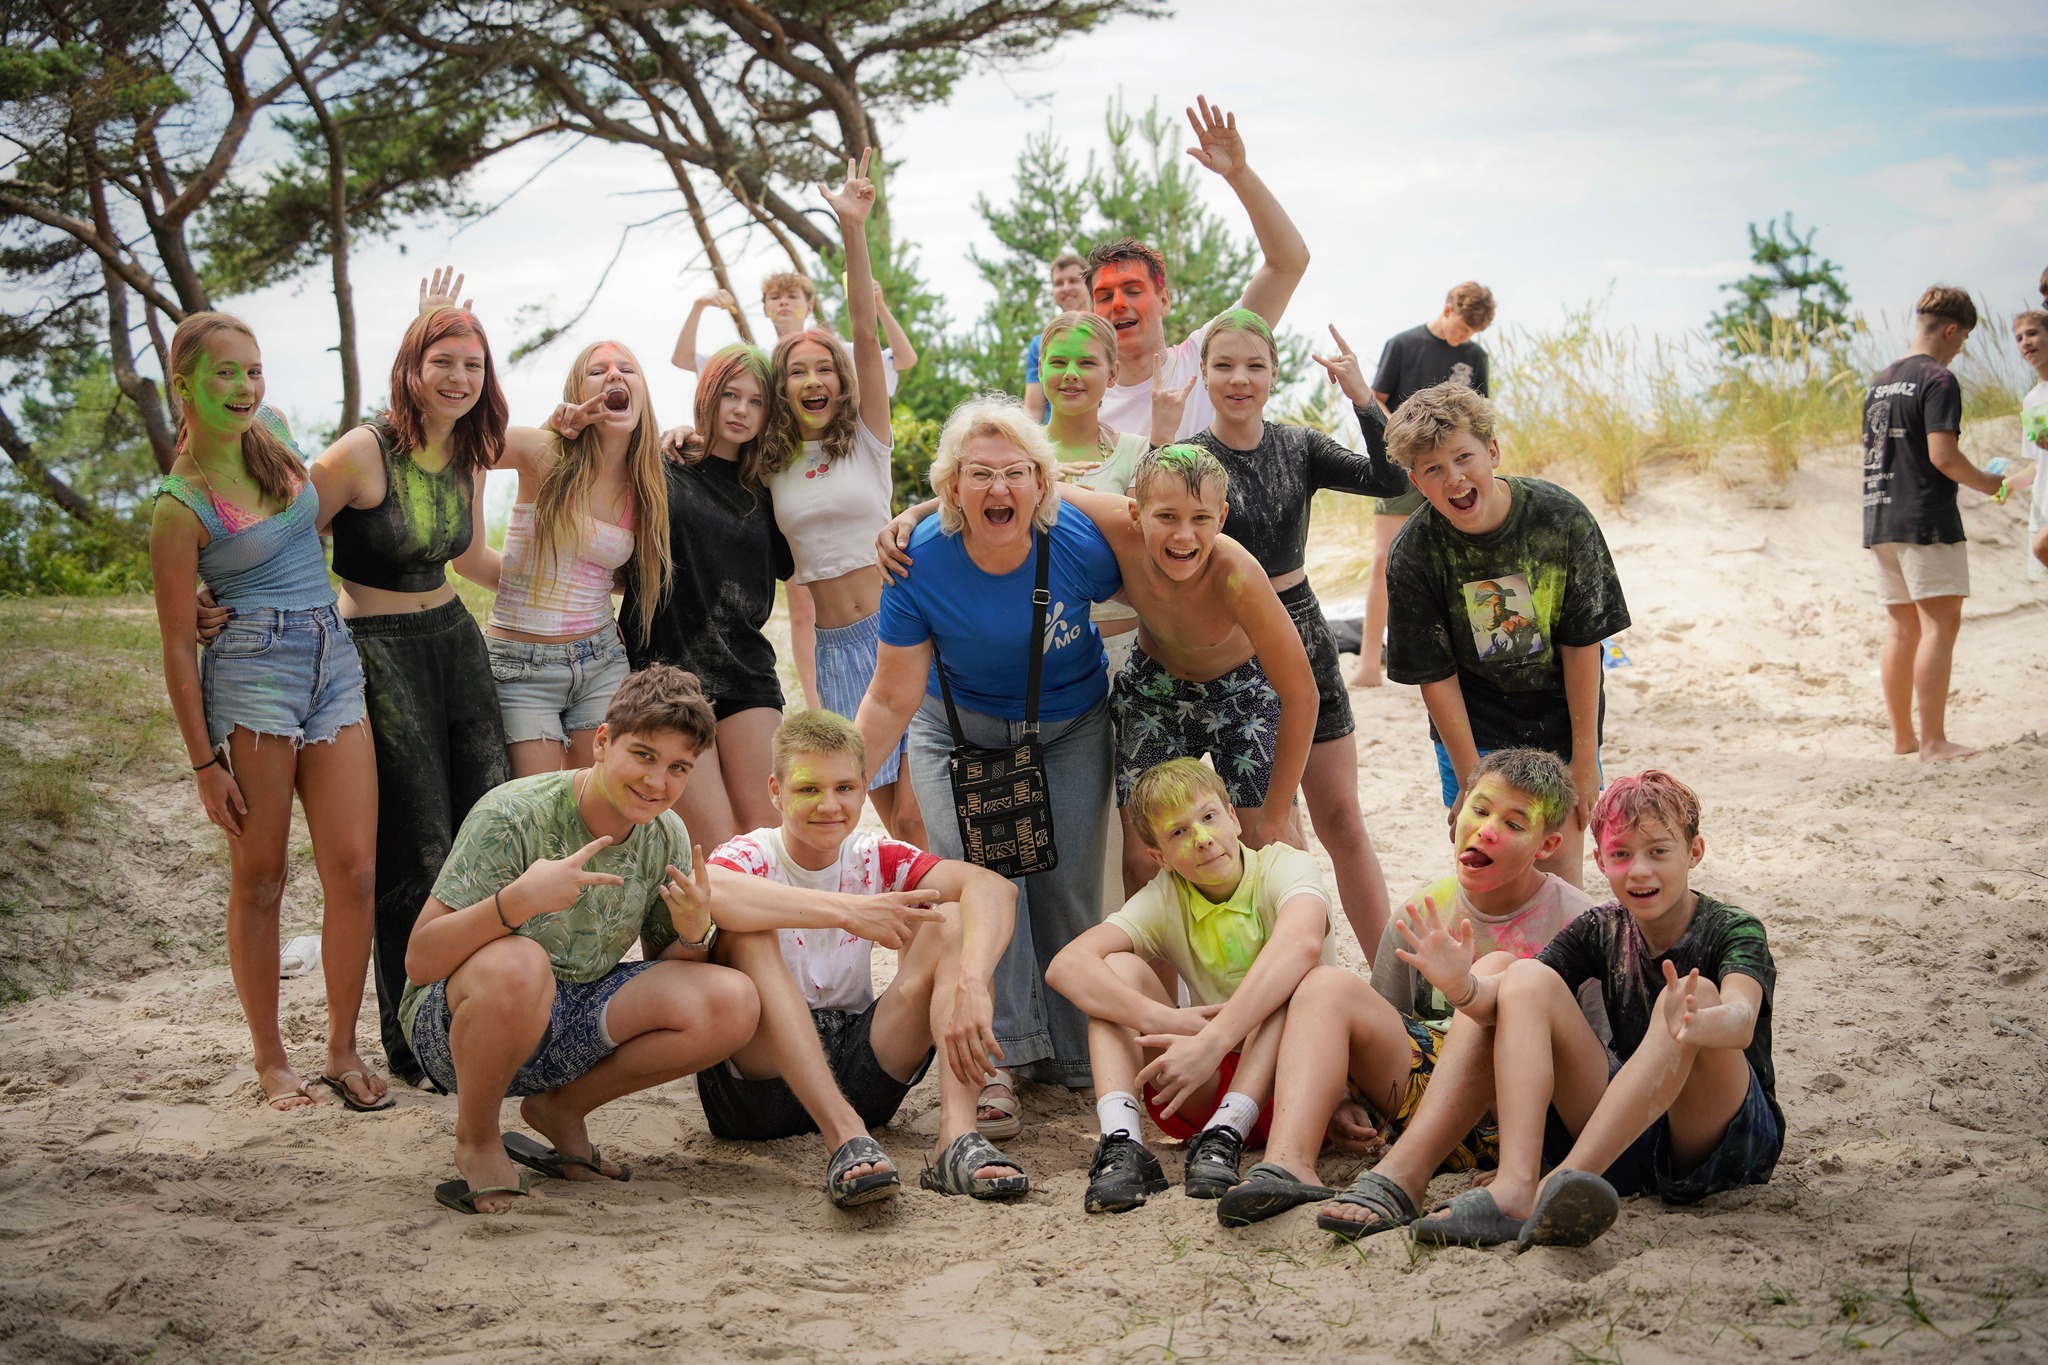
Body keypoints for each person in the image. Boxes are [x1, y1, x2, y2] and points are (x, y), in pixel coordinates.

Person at [855, 395, 1124, 1135]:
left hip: (1069, 724)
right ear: (952, 488)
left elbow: (1163, 571)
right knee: (985, 888)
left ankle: (1075, 1056)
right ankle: (998, 1060)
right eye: (979, 474)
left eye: (1015, 473)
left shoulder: (1077, 539)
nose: (998, 489)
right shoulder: (919, 558)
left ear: (1042, 482)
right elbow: (889, 696)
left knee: (1064, 886)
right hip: (958, 732)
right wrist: (843, 782)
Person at [400, 666, 759, 1214]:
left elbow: (669, 969)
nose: (657, 783)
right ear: (601, 742)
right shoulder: (512, 814)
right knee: (521, 963)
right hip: (459, 1029)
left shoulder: (668, 833)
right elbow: (421, 961)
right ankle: (476, 1136)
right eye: (643, 755)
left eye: (678, 767)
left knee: (733, 1000)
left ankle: (561, 1109)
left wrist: (691, 933)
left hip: (573, 1017)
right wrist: (515, 903)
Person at [148, 311, 385, 1112]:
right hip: (253, 671)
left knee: (353, 866)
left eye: (253, 370)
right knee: (261, 876)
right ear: (183, 384)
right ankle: (269, 1056)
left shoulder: (275, 433)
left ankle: (343, 1048)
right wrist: (204, 765)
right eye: (226, 373)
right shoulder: (180, 508)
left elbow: (310, 523)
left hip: (332, 653)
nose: (246, 387)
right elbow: (179, 646)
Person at [1398, 770, 1779, 1251]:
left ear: (1694, 852)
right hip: (1626, 1139)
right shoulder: (1601, 926)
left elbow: (1742, 1018)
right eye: (1621, 854)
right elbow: (1517, 996)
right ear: (1599, 860)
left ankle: (1558, 1182)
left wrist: (1702, 1022)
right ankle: (1518, 1184)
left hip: (1721, 1144)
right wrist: (1462, 987)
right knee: (1525, 975)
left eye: (1658, 852)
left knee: (1687, 994)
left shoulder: (1734, 928)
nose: (1639, 870)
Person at [1213, 748, 1593, 1229]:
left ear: (1547, 845)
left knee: (1500, 975)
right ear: (1456, 814)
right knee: (1324, 984)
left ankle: (1469, 1171)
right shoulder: (1419, 914)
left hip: (1521, 1119)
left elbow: (1592, 1058)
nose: (1487, 830)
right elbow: (1384, 1024)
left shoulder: (1577, 923)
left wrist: (1542, 1156)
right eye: (1479, 810)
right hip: (1424, 1106)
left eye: (1515, 825)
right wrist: (1346, 1103)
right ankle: (1291, 1161)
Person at [698, 710, 1031, 1204]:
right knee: (748, 933)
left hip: (861, 1069)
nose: (829, 805)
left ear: (862, 787)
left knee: (956, 919)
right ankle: (843, 1135)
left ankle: (955, 1139)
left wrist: (972, 982)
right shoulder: (751, 855)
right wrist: (850, 912)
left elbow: (992, 889)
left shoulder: (873, 854)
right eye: (808, 789)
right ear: (775, 790)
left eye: (845, 788)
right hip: (758, 1091)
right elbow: (711, 890)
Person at [311, 280, 512, 1091]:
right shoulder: (362, 450)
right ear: (412, 365)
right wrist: (209, 599)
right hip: (377, 652)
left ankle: (477, 1013)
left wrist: (584, 586)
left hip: (456, 644)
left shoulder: (468, 452)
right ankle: (410, 1040)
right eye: (443, 361)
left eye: (472, 364)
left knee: (482, 826)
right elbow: (285, 535)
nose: (459, 377)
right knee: (415, 844)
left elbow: (469, 562)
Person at [1185, 310, 1408, 957]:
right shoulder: (1192, 456)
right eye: (1223, 364)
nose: (1239, 378)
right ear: (1203, 374)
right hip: (1234, 651)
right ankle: (1319, 973)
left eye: (1254, 365)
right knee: (1274, 830)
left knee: (1341, 818)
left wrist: (1364, 399)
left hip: (1307, 634)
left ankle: (1393, 978)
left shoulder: (1299, 446)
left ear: (1275, 373)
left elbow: (1392, 478)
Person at [1045, 759, 1335, 1212]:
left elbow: (1301, 947)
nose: (1202, 839)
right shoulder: (1165, 894)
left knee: (1295, 978)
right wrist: (1164, 1019)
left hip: (1299, 1089)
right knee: (1114, 971)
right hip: (1199, 1082)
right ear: (1159, 858)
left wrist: (1215, 1040)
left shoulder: (1286, 865)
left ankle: (1227, 1134)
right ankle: (1121, 1142)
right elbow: (1066, 966)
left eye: (1208, 817)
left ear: (1234, 818)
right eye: (1178, 833)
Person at [1383, 382, 1630, 889]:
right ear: (1415, 481)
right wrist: (1475, 783)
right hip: (1474, 735)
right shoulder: (1414, 553)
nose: (1453, 478)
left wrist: (1586, 759)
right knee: (1490, 888)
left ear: (1491, 451)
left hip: (1559, 725)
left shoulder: (1561, 518)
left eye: (1463, 457)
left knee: (1558, 886)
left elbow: (1583, 646)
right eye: (1433, 469)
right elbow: (1436, 678)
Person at [759, 152, 923, 845]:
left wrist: (852, 229)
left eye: (824, 366)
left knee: (927, 812)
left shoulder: (868, 439)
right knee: (891, 820)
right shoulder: (769, 464)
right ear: (783, 387)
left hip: (901, 631)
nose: (815, 377)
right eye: (799, 371)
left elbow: (862, 327)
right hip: (835, 650)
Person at [479, 337, 673, 777]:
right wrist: (553, 428)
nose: (613, 374)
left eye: (628, 367)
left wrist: (685, 433)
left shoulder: (648, 483)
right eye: (597, 370)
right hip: (521, 664)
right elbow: (468, 445)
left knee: (600, 796)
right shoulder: (542, 452)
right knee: (538, 804)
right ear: (576, 394)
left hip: (601, 659)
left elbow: (618, 576)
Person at [627, 344, 790, 852]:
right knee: (717, 851)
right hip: (667, 676)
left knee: (768, 843)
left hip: (746, 673)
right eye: (730, 396)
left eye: (756, 401)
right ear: (707, 396)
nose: (741, 411)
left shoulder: (772, 486)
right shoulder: (660, 465)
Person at [1089, 97, 1309, 443]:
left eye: (1133, 290)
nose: (1117, 305)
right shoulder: (1088, 406)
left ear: (1164, 300)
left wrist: (1238, 173)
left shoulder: (1207, 357)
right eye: (1104, 296)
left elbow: (1288, 264)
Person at [1862, 286, 2010, 763]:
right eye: (1963, 339)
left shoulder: (1880, 380)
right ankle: (1933, 742)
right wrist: (1989, 483)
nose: (1960, 348)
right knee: (1939, 627)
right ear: (1951, 329)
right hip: (1925, 517)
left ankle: (1904, 738)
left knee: (1900, 629)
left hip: (1881, 515)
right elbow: (1942, 456)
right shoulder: (1937, 378)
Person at [1353, 282, 1496, 687]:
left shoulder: (1474, 356)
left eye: (1472, 332)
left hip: (1457, 469)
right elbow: (1376, 398)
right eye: (1463, 327)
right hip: (1406, 465)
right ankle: (1367, 663)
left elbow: (1479, 417)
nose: (1465, 337)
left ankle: (1484, 651)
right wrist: (1404, 435)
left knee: (1468, 556)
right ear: (1448, 308)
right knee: (1385, 558)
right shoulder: (1403, 344)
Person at [1024, 253, 1091, 423]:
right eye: (1058, 283)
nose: (1066, 288)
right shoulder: (1040, 344)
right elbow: (1033, 410)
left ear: (1088, 284)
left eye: (1073, 280)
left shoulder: (1108, 336)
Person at [2010, 310, 2047, 581]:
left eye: (2032, 333)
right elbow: (2038, 462)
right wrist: (2011, 484)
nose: (2025, 342)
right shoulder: (2031, 400)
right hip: (2043, 509)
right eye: (2019, 338)